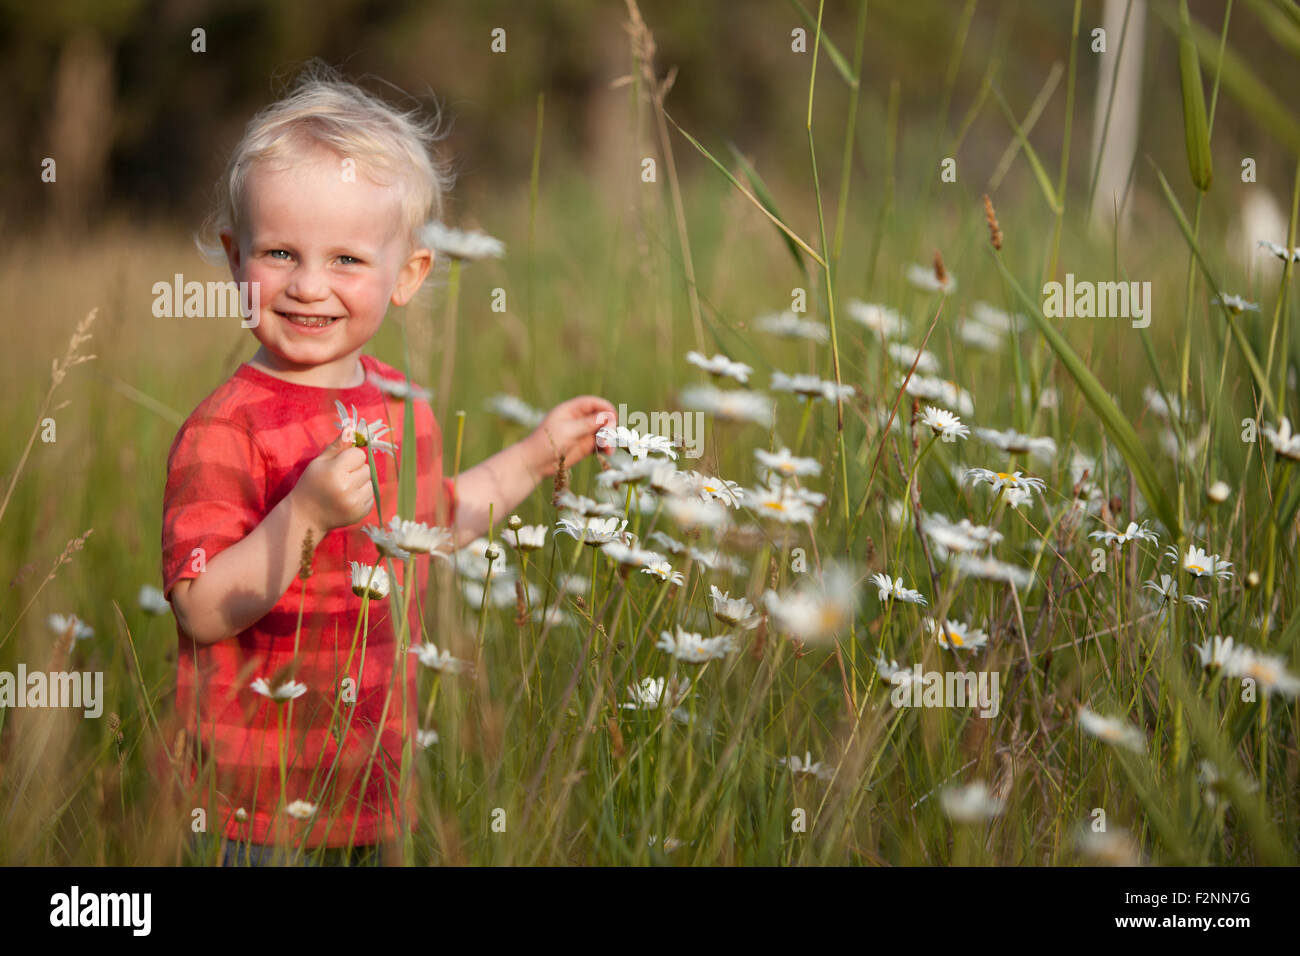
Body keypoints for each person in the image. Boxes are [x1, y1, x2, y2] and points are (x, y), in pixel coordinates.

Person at [161, 64, 614, 865]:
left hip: (375, 791)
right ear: (237, 262)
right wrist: (300, 516)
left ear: (407, 276)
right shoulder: (225, 427)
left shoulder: (402, 408)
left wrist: (538, 455)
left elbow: (435, 525)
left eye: (345, 260)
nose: (307, 285)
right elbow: (199, 609)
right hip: (254, 805)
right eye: (278, 252)